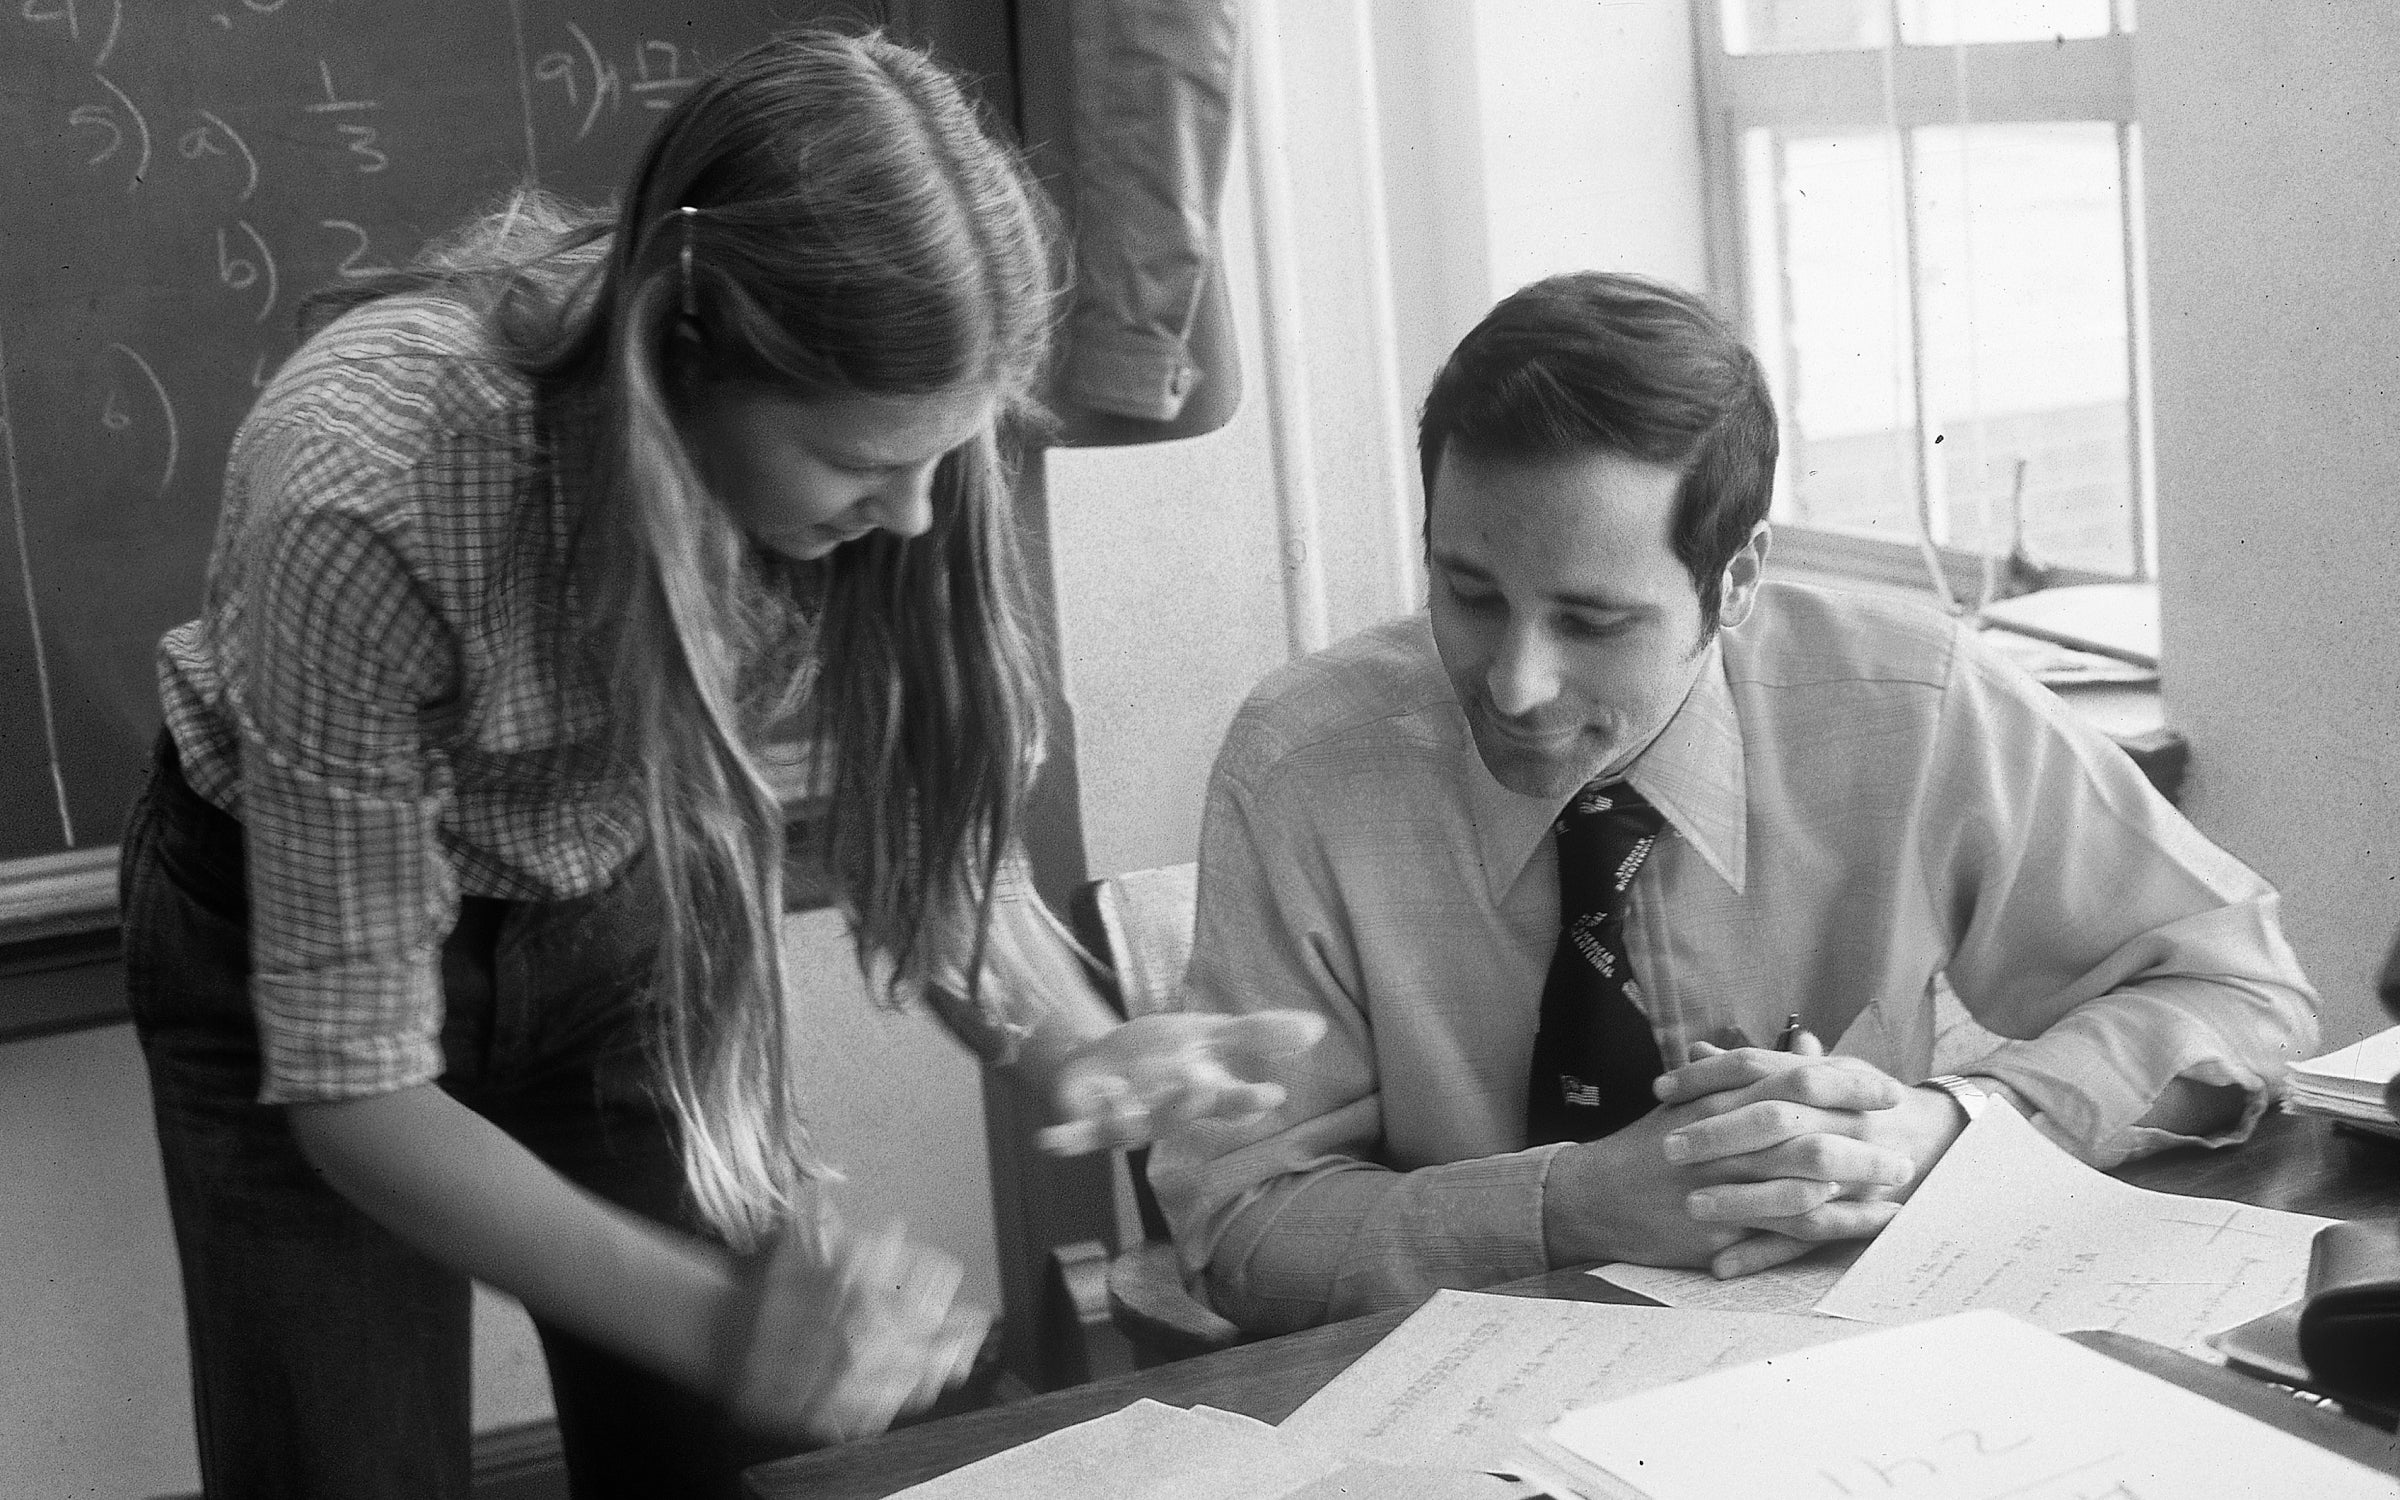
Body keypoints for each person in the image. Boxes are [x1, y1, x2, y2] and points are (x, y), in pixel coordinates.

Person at [125, 28, 1317, 1500]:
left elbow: (915, 818)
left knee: (772, 1456)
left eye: (947, 456)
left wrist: (1070, 1033)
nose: (916, 515)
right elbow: (358, 1098)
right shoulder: (367, 486)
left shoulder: (901, 451)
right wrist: (720, 1322)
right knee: (347, 1464)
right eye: (859, 464)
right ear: (685, 360)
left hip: (608, 897)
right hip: (284, 936)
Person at [1150, 271, 2321, 1336]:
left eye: (1593, 622)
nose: (1516, 683)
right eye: (1468, 593)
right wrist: (1572, 1207)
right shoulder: (1304, 764)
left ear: (1739, 580)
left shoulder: (1907, 704)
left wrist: (1945, 1130)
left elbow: (2241, 988)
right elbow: (1241, 1230)